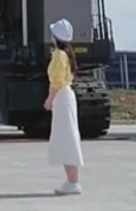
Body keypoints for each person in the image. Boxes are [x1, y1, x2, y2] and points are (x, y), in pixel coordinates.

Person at [45, 18, 83, 195]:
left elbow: (57, 81)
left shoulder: (59, 56)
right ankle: (71, 180)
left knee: (66, 138)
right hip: (65, 96)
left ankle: (73, 181)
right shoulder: (66, 54)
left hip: (61, 96)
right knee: (67, 137)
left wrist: (49, 100)